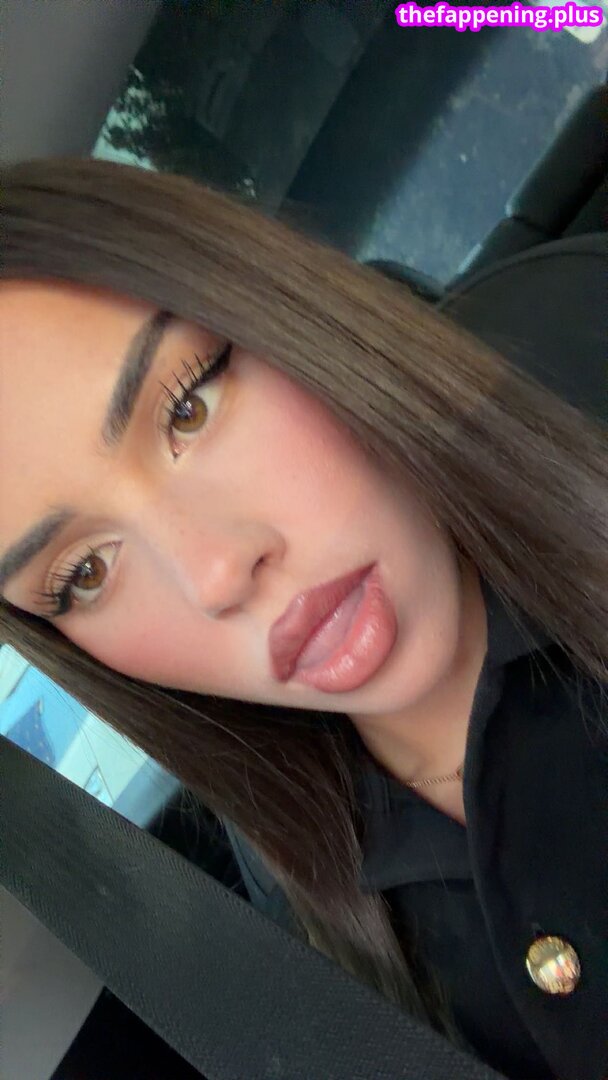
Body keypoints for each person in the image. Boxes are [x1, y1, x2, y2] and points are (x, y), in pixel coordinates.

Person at [0, 155, 606, 1080]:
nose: (215, 573)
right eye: (85, 572)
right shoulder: (302, 925)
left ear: (282, 308)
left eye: (189, 405)